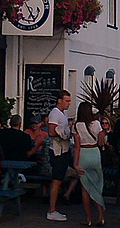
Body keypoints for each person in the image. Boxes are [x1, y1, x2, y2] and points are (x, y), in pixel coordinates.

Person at [73, 102, 106, 226]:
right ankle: (101, 215)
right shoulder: (96, 124)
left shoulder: (77, 126)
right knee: (97, 186)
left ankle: (88, 219)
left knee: (85, 189)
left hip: (83, 154)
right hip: (94, 153)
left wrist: (75, 164)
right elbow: (101, 142)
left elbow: (76, 146)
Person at [47, 90, 72, 222]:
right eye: (67, 101)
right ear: (60, 100)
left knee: (60, 179)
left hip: (64, 150)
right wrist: (64, 134)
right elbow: (51, 131)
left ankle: (55, 206)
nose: (69, 103)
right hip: (57, 150)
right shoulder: (55, 113)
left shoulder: (62, 114)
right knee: (56, 179)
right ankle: (52, 210)